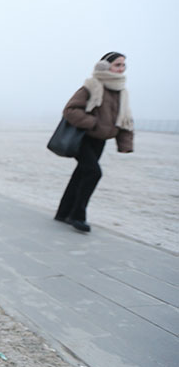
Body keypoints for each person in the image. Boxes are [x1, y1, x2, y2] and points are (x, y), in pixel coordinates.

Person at [54, 52, 134, 232]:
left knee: (81, 175)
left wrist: (125, 144)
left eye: (123, 65)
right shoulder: (91, 86)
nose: (121, 69)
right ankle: (77, 216)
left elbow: (124, 119)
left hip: (100, 141)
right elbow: (70, 110)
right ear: (105, 66)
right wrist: (93, 123)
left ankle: (62, 213)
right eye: (117, 65)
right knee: (93, 172)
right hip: (83, 138)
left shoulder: (121, 91)